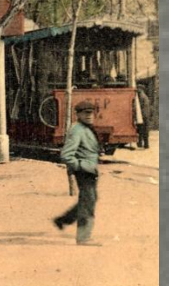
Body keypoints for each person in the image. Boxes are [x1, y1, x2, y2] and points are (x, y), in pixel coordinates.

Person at [53, 100, 103, 246]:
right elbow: (66, 155)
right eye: (85, 113)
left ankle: (63, 220)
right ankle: (83, 237)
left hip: (90, 170)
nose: (89, 116)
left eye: (91, 113)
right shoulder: (77, 130)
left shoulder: (86, 128)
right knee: (88, 202)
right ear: (77, 115)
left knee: (90, 199)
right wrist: (81, 166)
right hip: (84, 171)